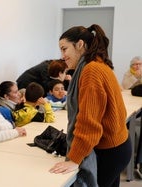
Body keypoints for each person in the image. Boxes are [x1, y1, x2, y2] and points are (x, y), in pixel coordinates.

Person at [49, 24, 132, 187]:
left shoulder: (90, 70)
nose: (62, 56)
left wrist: (74, 159)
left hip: (110, 151)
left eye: (64, 49)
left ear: (79, 45)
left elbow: (89, 122)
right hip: (117, 146)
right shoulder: (97, 64)